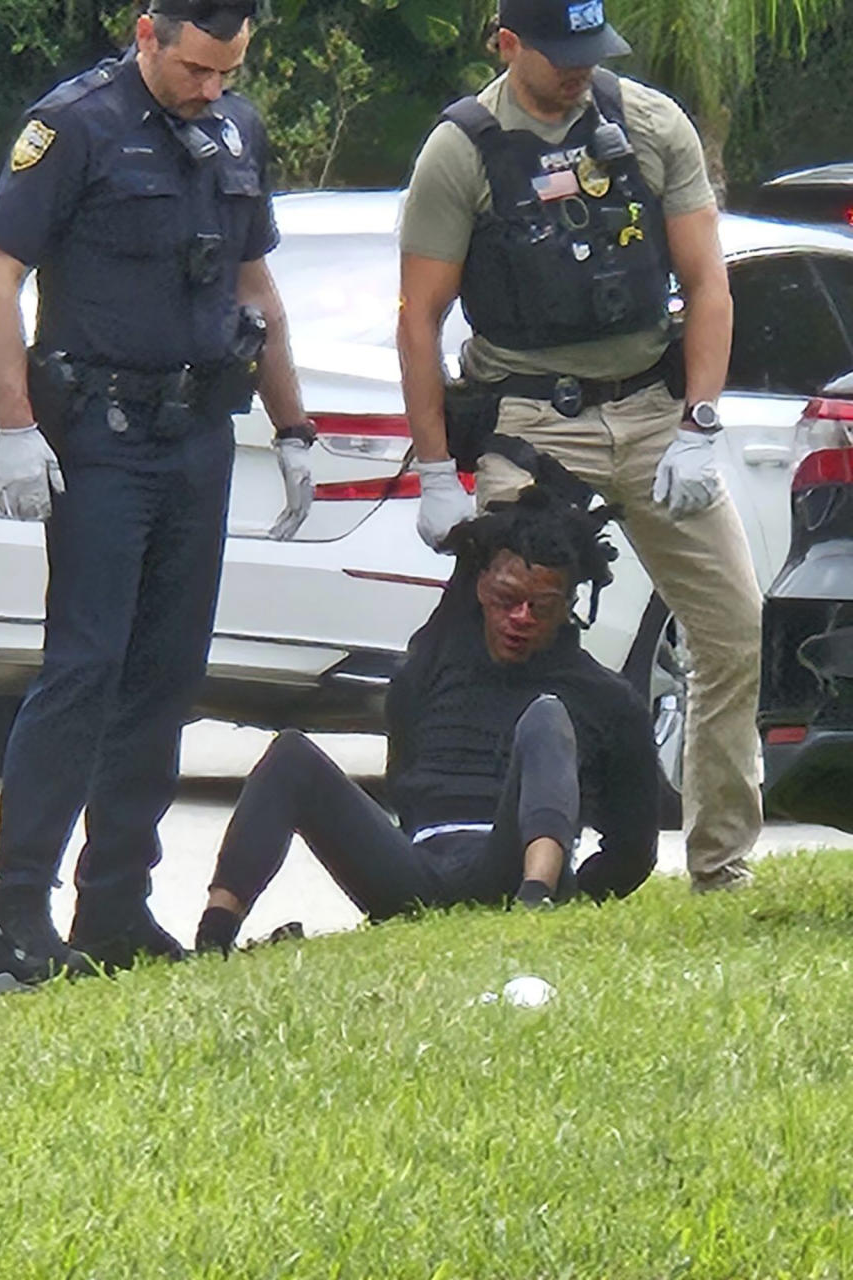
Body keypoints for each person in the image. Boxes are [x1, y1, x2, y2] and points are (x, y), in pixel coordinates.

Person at [0, 0, 316, 976]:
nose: (212, 89)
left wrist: (293, 427)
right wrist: (13, 427)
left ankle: (114, 903)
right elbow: (0, 278)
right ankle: (17, 905)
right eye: (197, 68)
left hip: (199, 432)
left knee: (165, 676)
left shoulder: (235, 127)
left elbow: (254, 285)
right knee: (84, 667)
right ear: (147, 31)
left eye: (229, 71)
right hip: (102, 437)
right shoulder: (75, 123)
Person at [396, 0, 762, 893]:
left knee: (732, 624)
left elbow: (707, 281)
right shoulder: (463, 150)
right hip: (531, 420)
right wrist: (438, 471)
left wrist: (701, 425)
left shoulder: (647, 124)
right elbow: (419, 320)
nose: (578, 70)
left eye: (590, 52)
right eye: (559, 53)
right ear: (507, 42)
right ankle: (467, 852)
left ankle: (720, 861)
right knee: (488, 634)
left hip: (650, 411)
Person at [193, 486, 659, 957]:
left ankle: (533, 909)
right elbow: (404, 773)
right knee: (290, 756)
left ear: (567, 607)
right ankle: (213, 938)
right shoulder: (436, 662)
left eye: (539, 607)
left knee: (546, 716)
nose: (520, 617)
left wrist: (574, 892)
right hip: (417, 867)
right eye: (506, 599)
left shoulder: (607, 700)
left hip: (509, 862)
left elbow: (633, 852)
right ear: (480, 590)